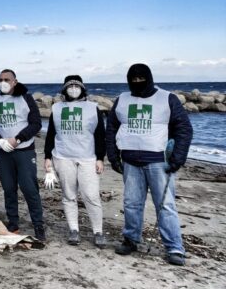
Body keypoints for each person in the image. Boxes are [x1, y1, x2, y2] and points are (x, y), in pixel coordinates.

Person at [106, 63, 193, 266]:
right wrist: (113, 156)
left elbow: (184, 129)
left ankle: (175, 248)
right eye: (133, 79)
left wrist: (177, 158)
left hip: (159, 163)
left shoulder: (167, 98)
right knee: (131, 204)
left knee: (166, 206)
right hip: (130, 162)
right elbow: (111, 128)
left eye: (141, 78)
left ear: (149, 78)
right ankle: (131, 240)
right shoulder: (122, 99)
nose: (137, 82)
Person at [44, 75, 107, 247]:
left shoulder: (93, 108)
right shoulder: (57, 108)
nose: (73, 88)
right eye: (69, 86)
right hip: (63, 157)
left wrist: (101, 158)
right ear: (64, 89)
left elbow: (101, 135)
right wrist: (47, 157)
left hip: (88, 158)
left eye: (76, 85)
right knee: (68, 195)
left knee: (91, 195)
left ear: (82, 88)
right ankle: (74, 230)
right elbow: (50, 134)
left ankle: (98, 231)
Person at [0, 69, 46, 240]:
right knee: (9, 188)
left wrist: (18, 139)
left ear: (15, 81)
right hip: (3, 152)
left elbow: (36, 124)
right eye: (0, 79)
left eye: (7, 79)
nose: (3, 82)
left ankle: (38, 224)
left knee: (29, 188)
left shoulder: (25, 98)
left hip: (24, 151)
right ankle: (13, 222)